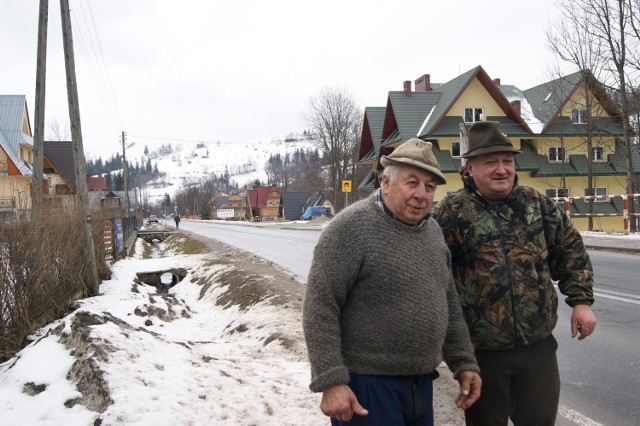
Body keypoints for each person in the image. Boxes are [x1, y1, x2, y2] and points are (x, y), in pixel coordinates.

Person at [302, 138, 482, 425]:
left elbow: (447, 301)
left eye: (429, 187)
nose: (421, 195)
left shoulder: (432, 232)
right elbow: (320, 306)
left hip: (420, 385)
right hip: (367, 388)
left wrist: (463, 362)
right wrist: (330, 380)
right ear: (385, 183)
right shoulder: (349, 229)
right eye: (412, 183)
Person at [432, 121, 597, 426]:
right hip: (482, 356)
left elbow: (571, 252)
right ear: (470, 167)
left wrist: (581, 302)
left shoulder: (537, 205)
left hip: (537, 350)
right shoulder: (450, 213)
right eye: (490, 162)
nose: (501, 169)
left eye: (507, 161)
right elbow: (431, 275)